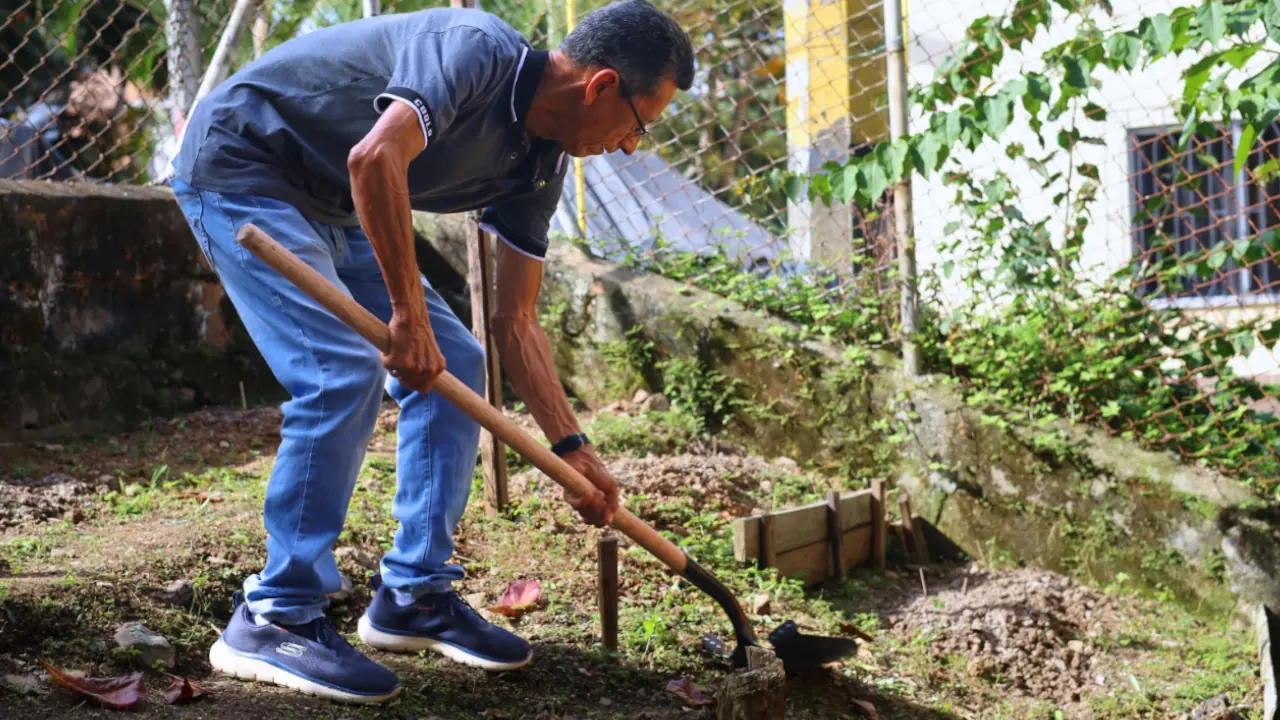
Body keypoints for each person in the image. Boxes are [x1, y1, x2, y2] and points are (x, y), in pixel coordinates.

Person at [168, 0, 694, 705]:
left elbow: (515, 320)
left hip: (333, 204)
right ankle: (274, 615)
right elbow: (375, 156)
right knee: (338, 371)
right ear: (601, 86)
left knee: (459, 363)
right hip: (245, 165)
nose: (631, 146)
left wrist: (573, 450)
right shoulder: (473, 49)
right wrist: (408, 316)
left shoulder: (540, 165)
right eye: (638, 124)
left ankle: (413, 595)